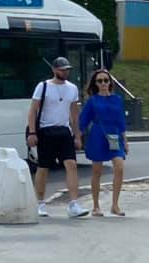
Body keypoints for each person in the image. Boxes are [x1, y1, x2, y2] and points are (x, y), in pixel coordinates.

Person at [27, 56, 88, 218]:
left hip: (64, 131)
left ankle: (74, 204)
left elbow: (75, 113)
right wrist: (32, 132)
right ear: (54, 70)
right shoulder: (43, 86)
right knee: (44, 167)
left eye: (67, 69)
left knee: (71, 165)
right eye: (62, 69)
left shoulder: (72, 88)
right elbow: (33, 110)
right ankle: (39, 203)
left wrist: (77, 136)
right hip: (46, 131)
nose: (65, 72)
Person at [79, 69, 128, 216]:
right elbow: (83, 121)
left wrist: (125, 140)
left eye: (106, 80)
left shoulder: (117, 99)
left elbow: (121, 121)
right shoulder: (92, 101)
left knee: (119, 167)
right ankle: (96, 206)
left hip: (115, 135)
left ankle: (115, 205)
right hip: (98, 136)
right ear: (95, 84)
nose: (103, 83)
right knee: (97, 171)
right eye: (99, 81)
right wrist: (77, 137)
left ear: (110, 82)